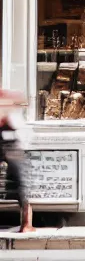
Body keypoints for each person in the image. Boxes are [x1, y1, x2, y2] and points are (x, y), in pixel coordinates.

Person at [0, 90, 35, 232]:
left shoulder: (7, 98)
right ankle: (26, 223)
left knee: (20, 182)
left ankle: (27, 223)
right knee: (19, 183)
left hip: (11, 143)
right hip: (7, 142)